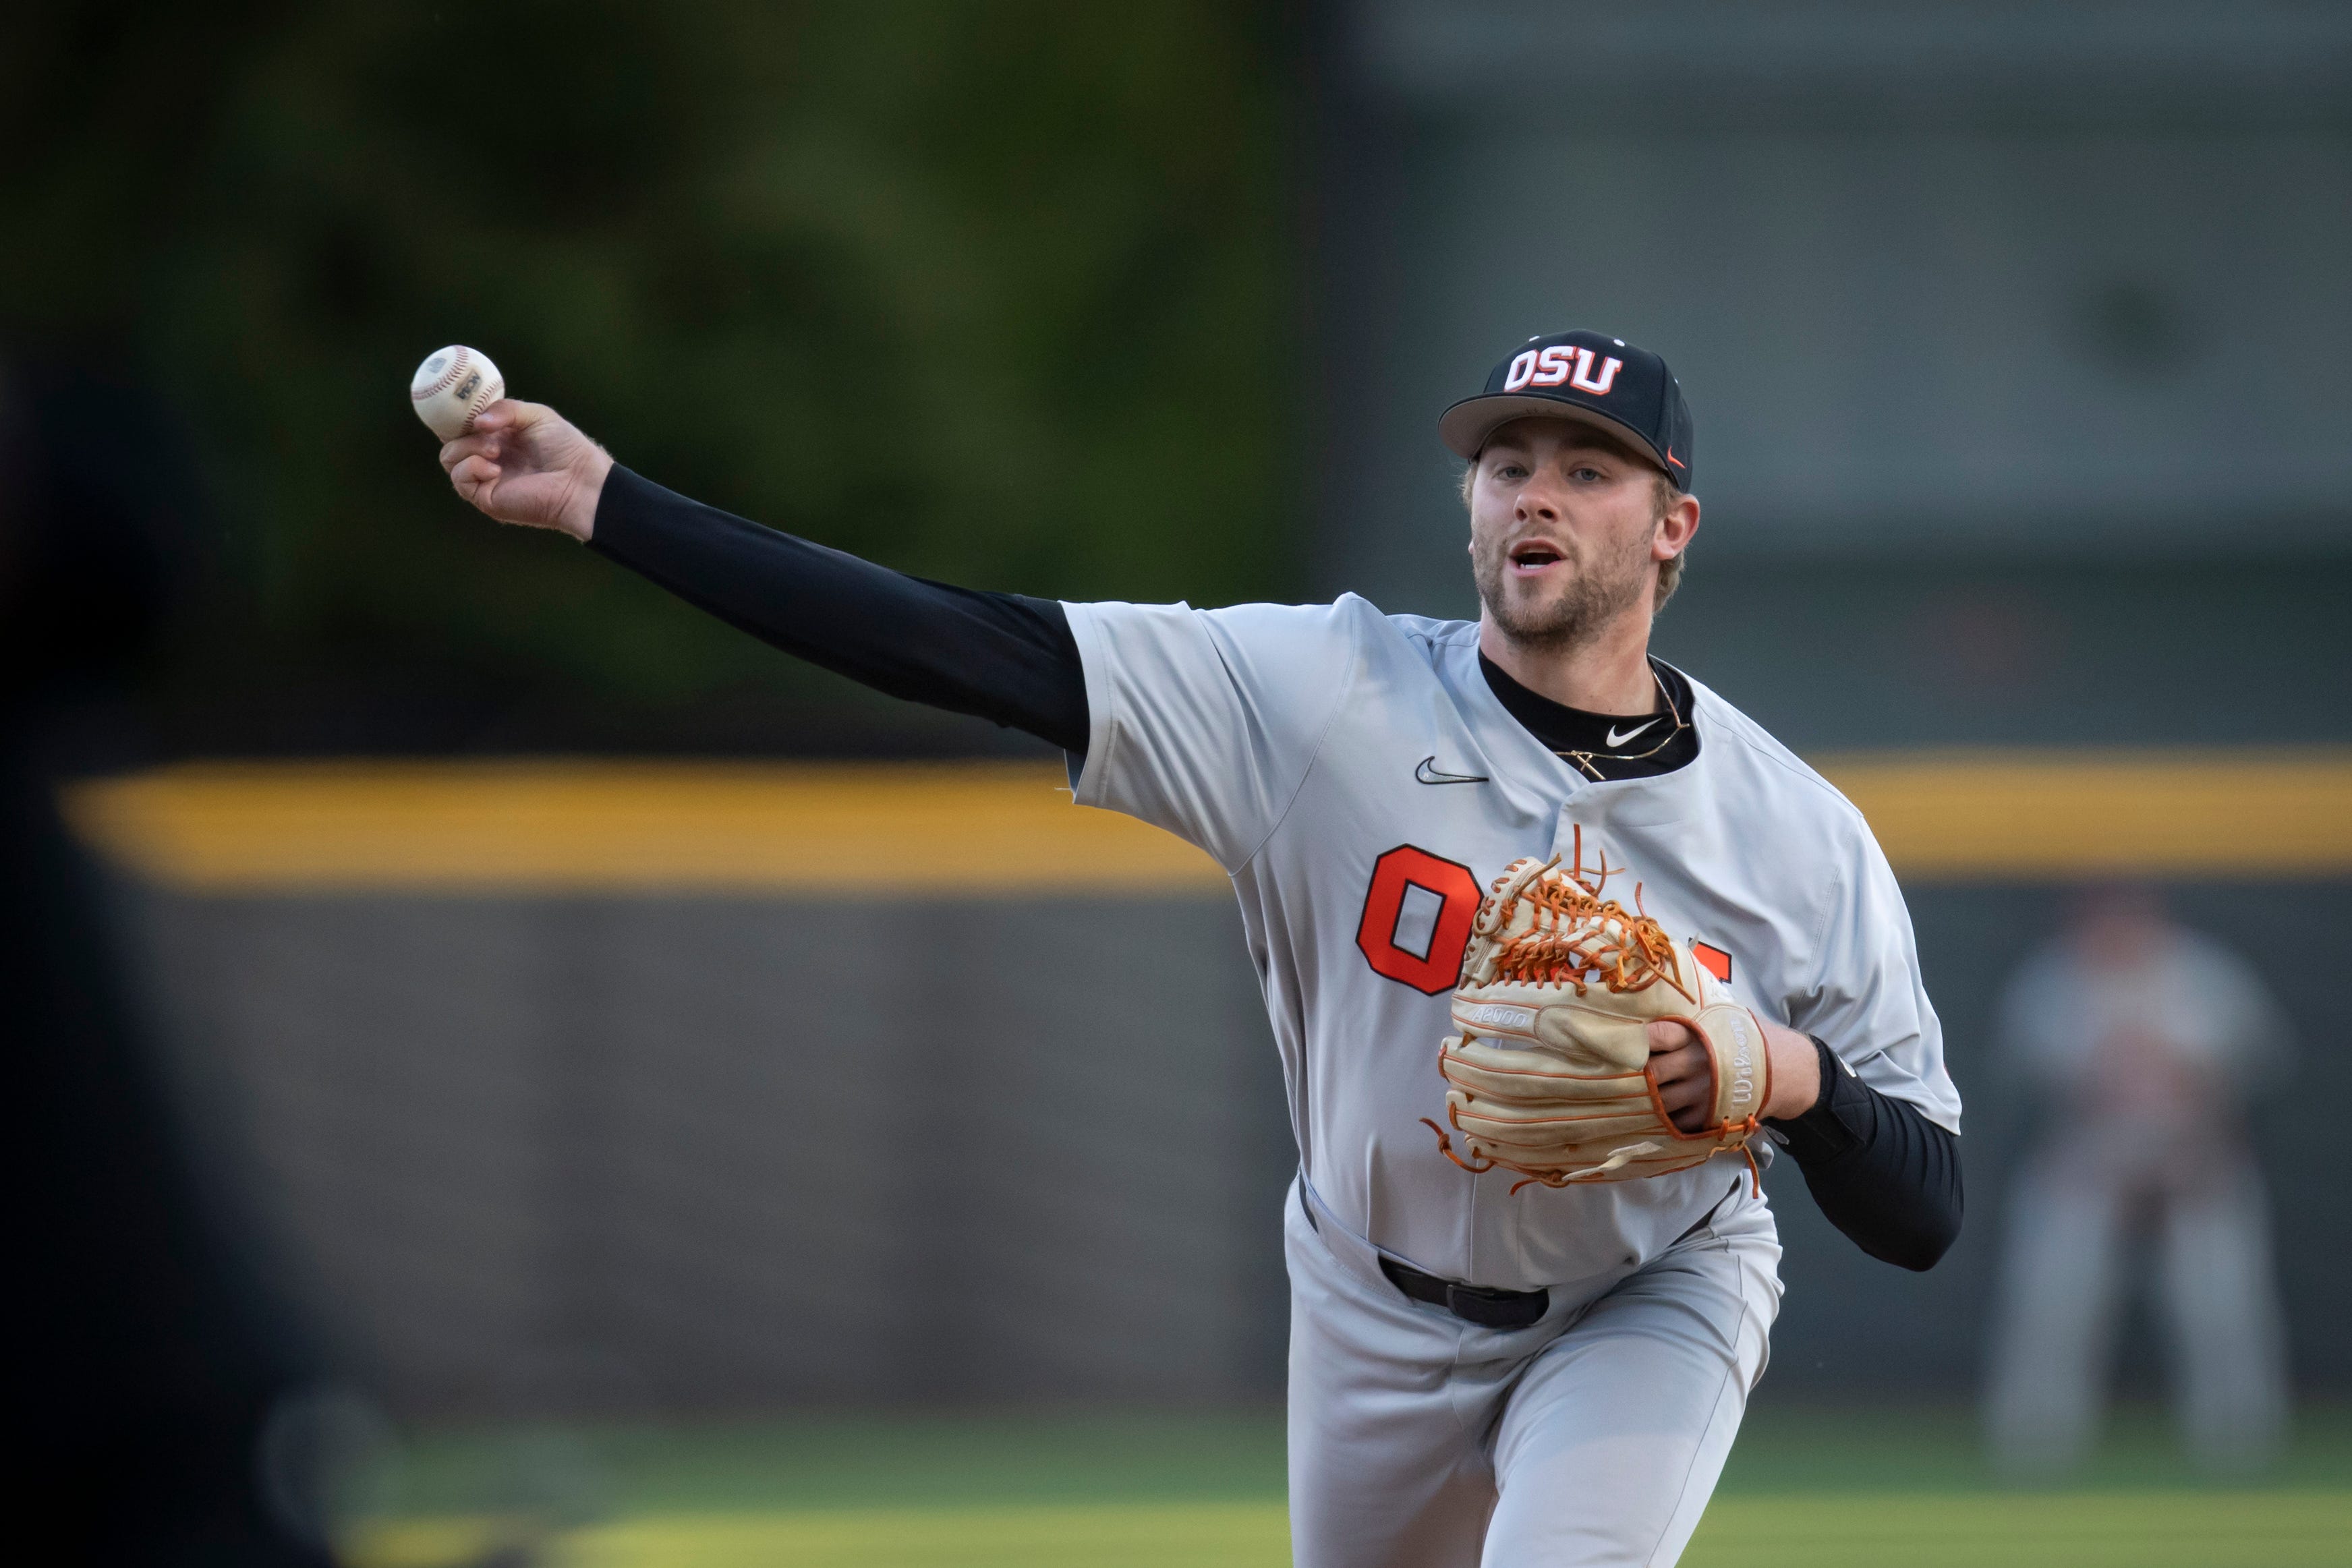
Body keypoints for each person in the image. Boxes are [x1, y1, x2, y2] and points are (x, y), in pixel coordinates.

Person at [435, 328, 1962, 1567]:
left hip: (1651, 1294)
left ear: (1673, 527)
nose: (1533, 495)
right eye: (1506, 464)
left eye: (1587, 469)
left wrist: (1791, 1077)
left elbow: (1924, 1208)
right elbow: (970, 645)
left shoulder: (1794, 835)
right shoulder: (1322, 700)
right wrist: (609, 507)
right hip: (1370, 1302)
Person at [1984, 883, 2292, 1477]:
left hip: (2194, 1163)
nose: (2112, 927)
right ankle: (2034, 1451)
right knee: (2052, 1310)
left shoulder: (2205, 974)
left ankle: (2242, 1452)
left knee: (2221, 1312)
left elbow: (2244, 1073)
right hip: (2088, 1166)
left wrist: (2188, 1142)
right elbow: (2049, 1086)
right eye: (2098, 914)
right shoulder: (2051, 981)